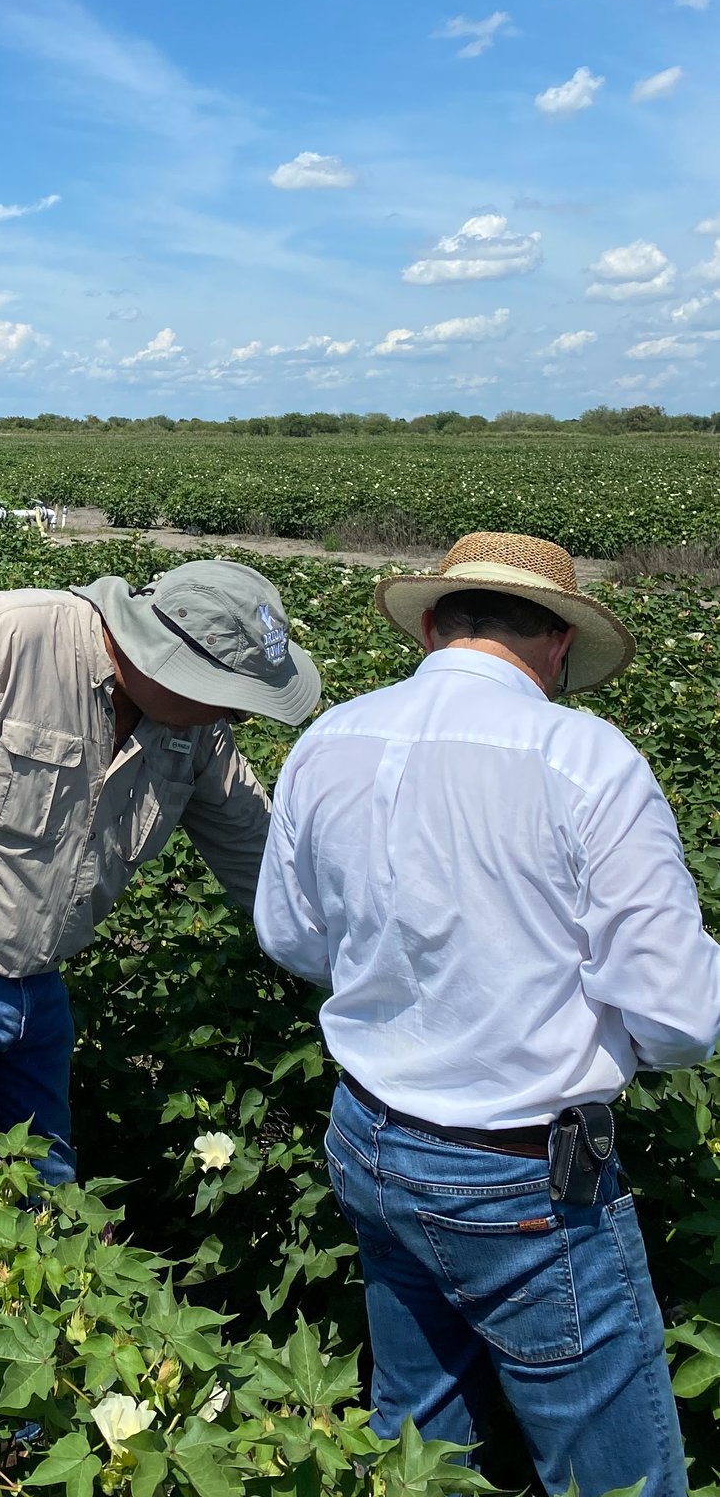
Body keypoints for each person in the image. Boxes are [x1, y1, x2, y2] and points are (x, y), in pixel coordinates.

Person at [254, 530, 720, 1497]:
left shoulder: (327, 740)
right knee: (615, 1474)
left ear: (430, 625)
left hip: (368, 1136)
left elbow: (291, 937)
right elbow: (681, 1019)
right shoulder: (585, 759)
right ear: (557, 645)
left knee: (415, 1439)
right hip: (520, 1175)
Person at [0, 561, 320, 1187]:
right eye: (230, 699)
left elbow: (258, 849)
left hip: (41, 985)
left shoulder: (196, 731)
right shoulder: (9, 639)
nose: (236, 719)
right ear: (172, 663)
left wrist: (345, 958)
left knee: (48, 1191)